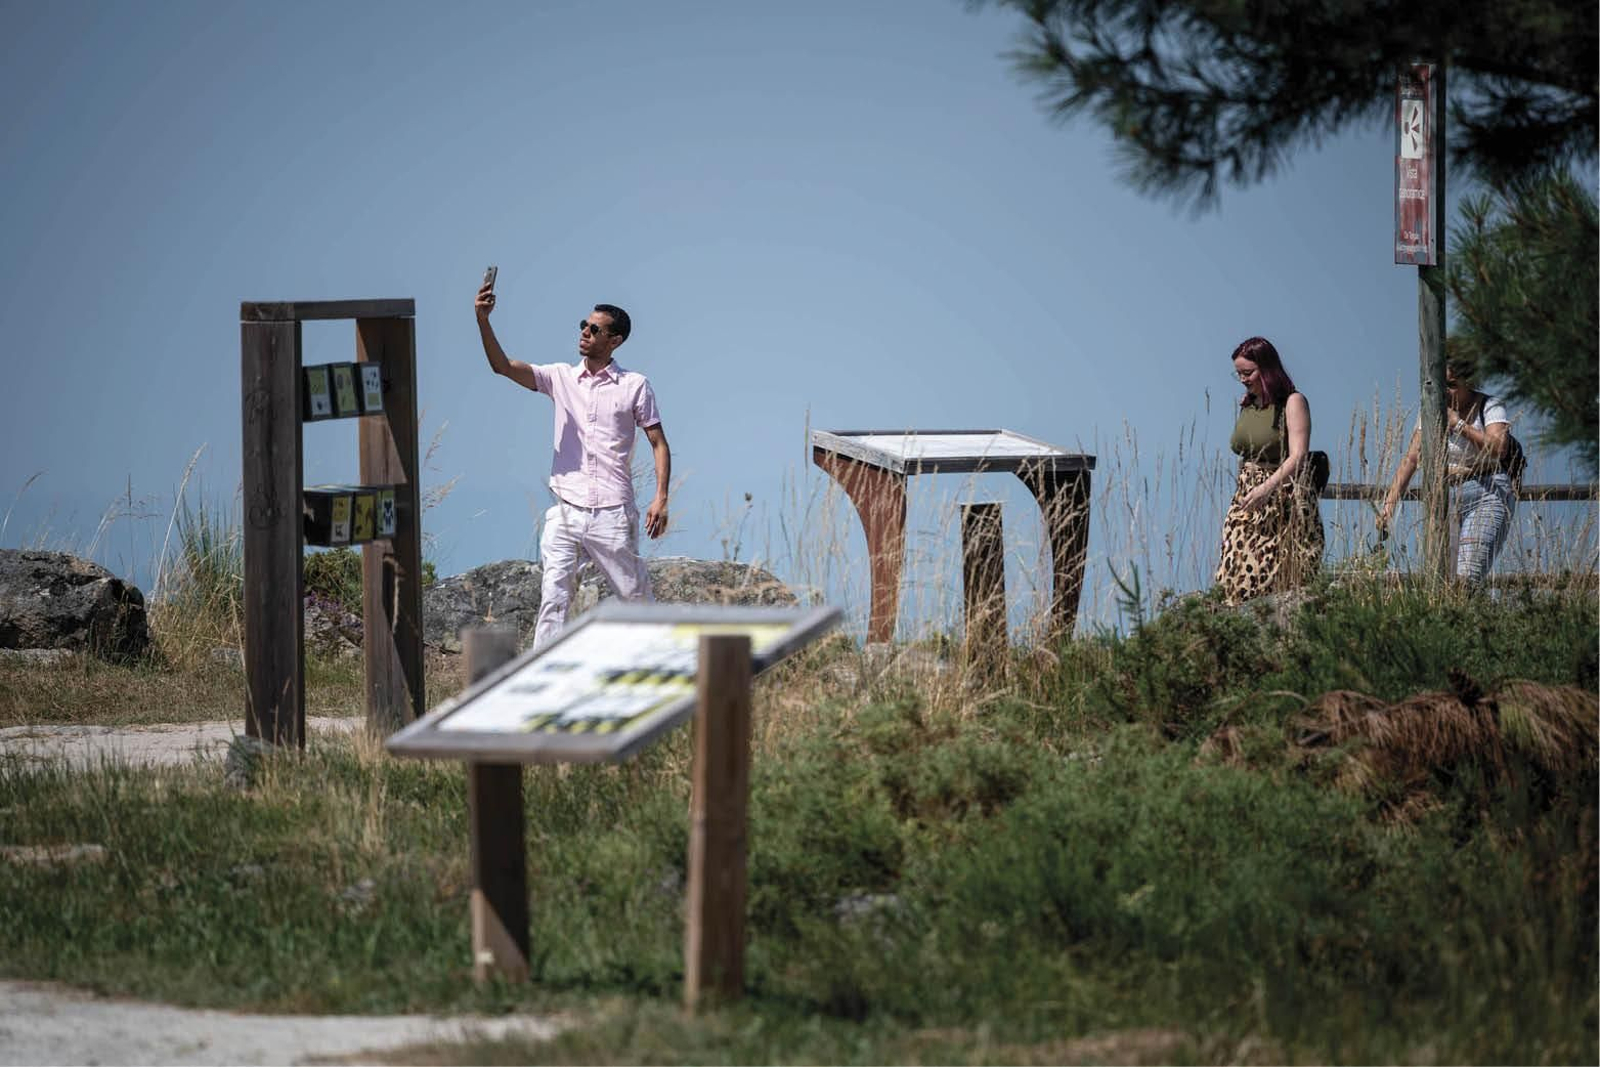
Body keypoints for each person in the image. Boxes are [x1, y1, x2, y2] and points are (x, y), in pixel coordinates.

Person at [475, 278, 671, 647]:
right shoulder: (559, 377)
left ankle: (662, 666)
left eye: (594, 329)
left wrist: (660, 497)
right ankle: (542, 678)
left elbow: (659, 443)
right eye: (583, 325)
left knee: (635, 600)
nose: (584, 332)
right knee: (554, 598)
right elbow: (501, 366)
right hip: (565, 511)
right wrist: (483, 320)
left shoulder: (635, 385)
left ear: (615, 341)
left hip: (613, 513)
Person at [1377, 358, 1515, 585]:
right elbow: (1412, 458)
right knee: (1440, 579)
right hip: (1444, 496)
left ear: (1468, 383)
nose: (1446, 392)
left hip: (1487, 492)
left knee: (1466, 577)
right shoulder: (1431, 411)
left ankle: (1464, 612)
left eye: (1452, 385)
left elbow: (1499, 447)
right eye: (1442, 385)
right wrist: (1389, 504)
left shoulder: (1490, 406)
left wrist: (1458, 425)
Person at [1214, 336, 1324, 604]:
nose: (1242, 379)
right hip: (1247, 496)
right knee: (1232, 573)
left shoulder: (1293, 402)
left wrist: (1266, 487)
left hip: (1282, 498)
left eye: (1248, 372)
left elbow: (1298, 455)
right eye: (1238, 373)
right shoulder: (1249, 405)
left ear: (1267, 369)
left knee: (1271, 577)